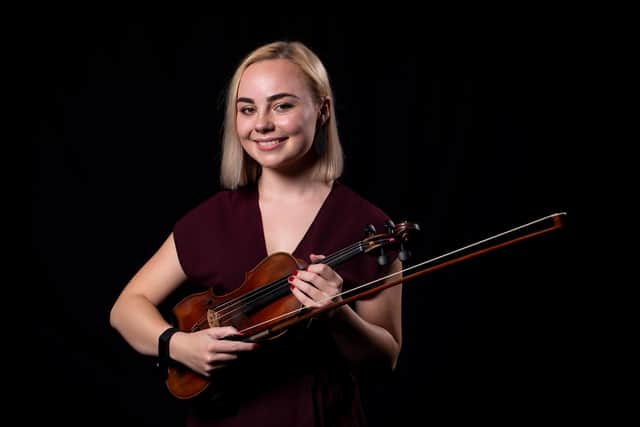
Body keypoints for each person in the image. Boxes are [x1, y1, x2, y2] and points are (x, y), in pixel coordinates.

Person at [109, 40, 404, 427]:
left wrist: (337, 315)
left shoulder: (367, 226)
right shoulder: (210, 219)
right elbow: (126, 308)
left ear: (323, 110)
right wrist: (178, 344)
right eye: (247, 109)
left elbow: (386, 360)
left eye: (282, 106)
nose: (262, 123)